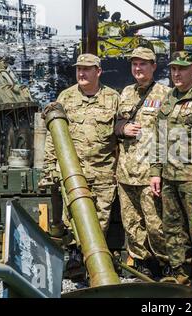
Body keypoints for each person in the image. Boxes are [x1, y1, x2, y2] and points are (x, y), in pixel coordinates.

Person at [149, 51, 192, 285]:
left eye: (182, 69)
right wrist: (155, 172)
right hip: (168, 176)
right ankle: (180, 275)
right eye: (173, 68)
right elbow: (158, 137)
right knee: (173, 229)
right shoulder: (169, 98)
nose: (176, 73)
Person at [43, 53, 120, 236]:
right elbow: (53, 136)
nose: (81, 73)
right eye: (79, 69)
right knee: (73, 224)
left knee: (99, 227)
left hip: (103, 175)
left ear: (98, 71)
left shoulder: (113, 98)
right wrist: (49, 168)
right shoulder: (66, 97)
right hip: (73, 174)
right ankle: (76, 261)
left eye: (86, 69)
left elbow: (121, 138)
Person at [115, 47, 171, 277]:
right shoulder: (126, 93)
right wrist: (122, 128)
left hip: (151, 174)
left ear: (153, 66)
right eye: (134, 64)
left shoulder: (166, 94)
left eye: (143, 64)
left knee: (156, 225)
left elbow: (170, 135)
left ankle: (166, 263)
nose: (138, 69)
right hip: (126, 172)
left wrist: (161, 171)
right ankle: (142, 264)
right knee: (131, 225)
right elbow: (115, 125)